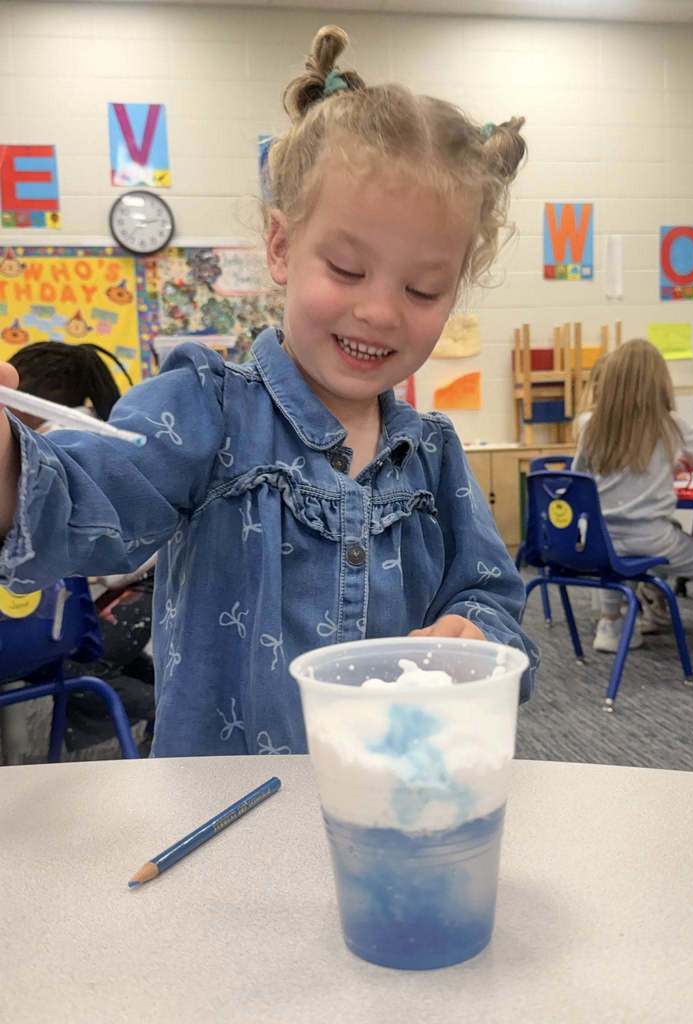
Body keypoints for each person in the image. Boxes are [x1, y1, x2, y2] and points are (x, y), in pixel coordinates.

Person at [0, 26, 539, 757]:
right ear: (282, 247)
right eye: (347, 270)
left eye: (423, 288)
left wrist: (474, 631)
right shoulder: (208, 407)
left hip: (390, 795)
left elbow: (492, 596)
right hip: (221, 808)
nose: (380, 311)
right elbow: (81, 501)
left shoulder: (433, 454)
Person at [574, 339, 693, 667]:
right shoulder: (670, 423)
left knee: (615, 562)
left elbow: (579, 477)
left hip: (601, 539)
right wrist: (675, 458)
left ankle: (610, 625)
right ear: (659, 380)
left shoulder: (591, 425)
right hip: (653, 538)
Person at [5, 341, 156, 755]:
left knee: (77, 661)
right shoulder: (70, 435)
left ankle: (163, 714)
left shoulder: (62, 441)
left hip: (139, 587)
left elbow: (120, 558)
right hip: (122, 589)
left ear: (27, 397)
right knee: (95, 655)